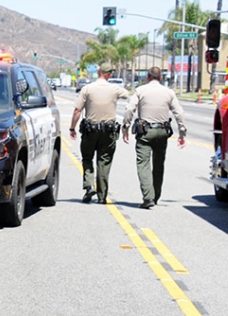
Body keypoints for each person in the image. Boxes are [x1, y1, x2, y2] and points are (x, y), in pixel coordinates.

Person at [121, 66, 187, 209]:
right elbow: (179, 113)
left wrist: (125, 128)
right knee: (158, 165)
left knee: (143, 164)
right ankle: (155, 196)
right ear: (161, 78)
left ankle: (148, 197)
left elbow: (129, 109)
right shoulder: (169, 92)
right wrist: (182, 132)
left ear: (148, 77)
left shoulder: (140, 91)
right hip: (162, 132)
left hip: (145, 132)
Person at [69, 63, 129, 203]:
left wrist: (72, 128)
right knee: (104, 161)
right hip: (108, 131)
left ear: (98, 71)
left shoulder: (87, 88)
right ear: (110, 74)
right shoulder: (114, 89)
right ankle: (102, 196)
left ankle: (89, 186)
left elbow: (77, 110)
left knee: (87, 157)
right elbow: (126, 95)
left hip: (91, 130)